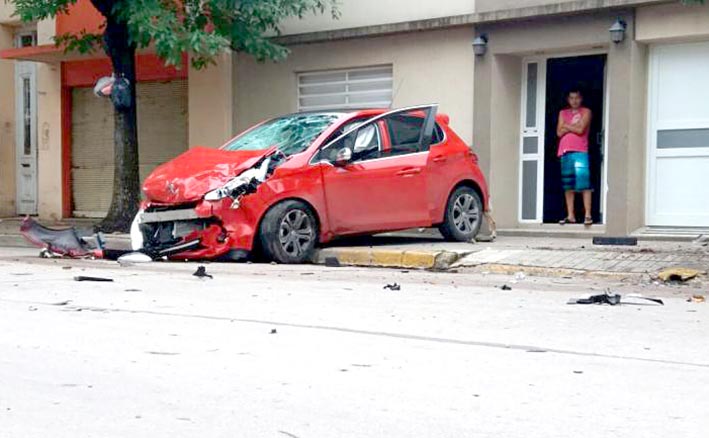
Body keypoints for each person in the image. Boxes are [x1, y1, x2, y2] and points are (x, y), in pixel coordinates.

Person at [556, 88, 593, 226]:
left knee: (584, 183)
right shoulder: (562, 112)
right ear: (568, 99)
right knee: (568, 185)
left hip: (580, 150)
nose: (574, 101)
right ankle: (570, 215)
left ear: (581, 98)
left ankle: (587, 215)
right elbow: (559, 132)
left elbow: (581, 129)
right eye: (571, 98)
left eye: (577, 98)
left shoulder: (586, 111)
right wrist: (573, 126)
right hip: (565, 151)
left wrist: (566, 126)